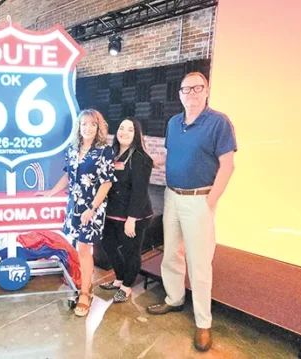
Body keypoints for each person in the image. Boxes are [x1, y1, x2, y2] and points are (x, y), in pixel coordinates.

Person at [145, 72, 237, 352]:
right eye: (187, 89)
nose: (192, 93)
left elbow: (228, 165)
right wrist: (144, 161)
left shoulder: (219, 122)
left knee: (199, 263)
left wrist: (211, 201)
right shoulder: (174, 123)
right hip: (172, 196)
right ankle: (174, 298)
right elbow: (171, 156)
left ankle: (203, 322)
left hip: (199, 200)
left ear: (207, 91)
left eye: (198, 88)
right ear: (180, 94)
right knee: (171, 252)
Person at [45, 109, 115, 317]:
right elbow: (68, 175)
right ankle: (82, 280)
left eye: (92, 124)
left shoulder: (104, 151)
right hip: (73, 206)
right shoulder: (73, 149)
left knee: (85, 247)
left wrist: (91, 209)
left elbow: (107, 183)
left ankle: (85, 293)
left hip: (91, 208)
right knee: (76, 245)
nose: (87, 128)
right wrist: (51, 193)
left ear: (98, 127)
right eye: (84, 124)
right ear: (79, 126)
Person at [99, 118, 153, 303]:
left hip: (133, 215)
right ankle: (119, 278)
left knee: (131, 252)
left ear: (136, 134)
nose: (124, 132)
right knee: (108, 246)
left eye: (130, 130)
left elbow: (140, 191)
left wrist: (132, 218)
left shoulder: (141, 158)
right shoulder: (110, 154)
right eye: (122, 128)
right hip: (111, 212)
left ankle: (127, 286)